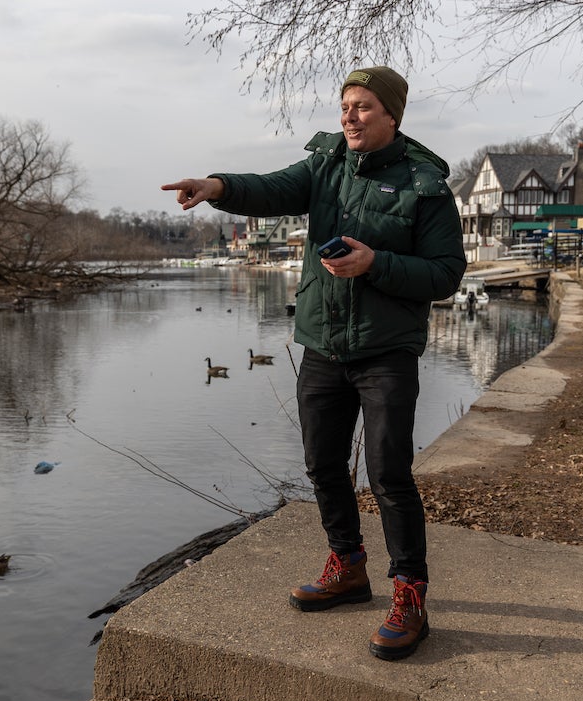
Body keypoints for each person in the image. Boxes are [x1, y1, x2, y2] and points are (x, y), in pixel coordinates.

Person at [162, 66, 466, 661]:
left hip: (386, 352)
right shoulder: (324, 164)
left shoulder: (424, 185)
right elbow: (272, 188)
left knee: (389, 476)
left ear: (392, 116)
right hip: (323, 343)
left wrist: (374, 263)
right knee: (322, 465)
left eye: (363, 107)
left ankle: (410, 595)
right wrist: (218, 186)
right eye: (346, 106)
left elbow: (446, 274)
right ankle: (349, 567)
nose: (350, 116)